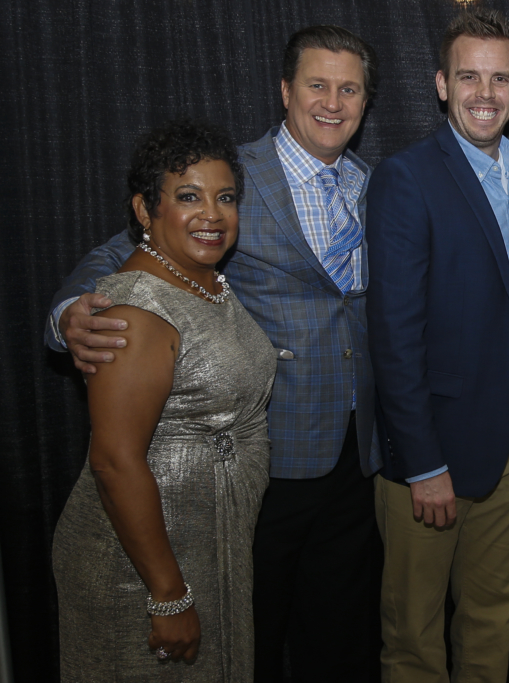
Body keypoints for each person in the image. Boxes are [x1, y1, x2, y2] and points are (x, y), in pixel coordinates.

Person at [44, 26, 383, 683]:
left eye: (350, 90)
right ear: (285, 90)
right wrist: (68, 315)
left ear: (366, 103)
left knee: (338, 634)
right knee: (248, 635)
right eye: (317, 85)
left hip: (354, 449)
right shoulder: (229, 176)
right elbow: (121, 250)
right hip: (266, 455)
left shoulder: (371, 183)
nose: (333, 102)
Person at [364, 8, 509, 682]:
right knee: (414, 635)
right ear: (442, 84)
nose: (485, 92)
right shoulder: (407, 177)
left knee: (495, 615)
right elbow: (393, 335)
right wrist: (422, 462)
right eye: (469, 76)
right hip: (433, 443)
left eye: (500, 78)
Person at [51, 118, 276, 680]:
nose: (212, 214)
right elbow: (114, 461)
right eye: (188, 197)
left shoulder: (203, 279)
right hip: (142, 570)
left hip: (207, 545)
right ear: (145, 210)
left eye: (226, 197)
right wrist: (169, 594)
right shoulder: (134, 311)